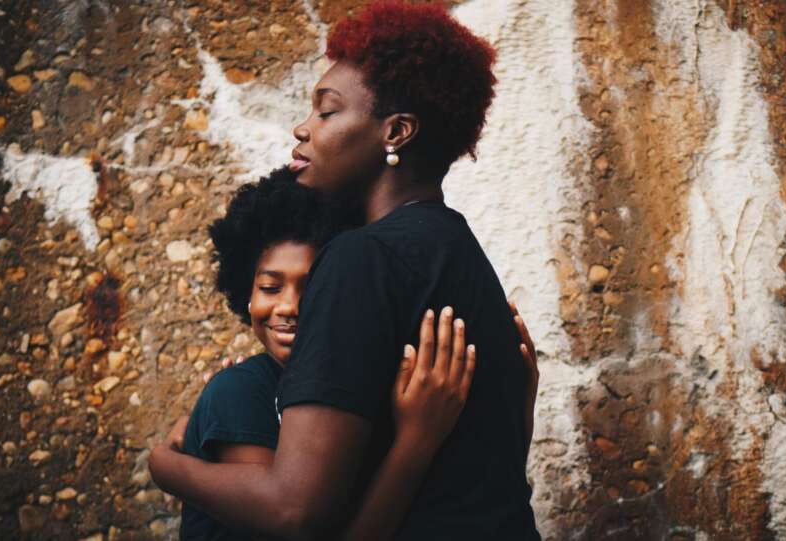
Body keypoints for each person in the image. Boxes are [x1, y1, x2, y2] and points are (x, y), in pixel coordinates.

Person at [149, 2, 541, 539]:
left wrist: (167, 467)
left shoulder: (362, 258)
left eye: (327, 112)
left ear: (396, 132)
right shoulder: (459, 250)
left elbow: (295, 510)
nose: (303, 128)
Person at [179, 168, 491, 540]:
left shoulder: (346, 391)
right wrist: (415, 442)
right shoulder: (241, 393)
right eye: (270, 287)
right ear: (246, 293)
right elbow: (293, 521)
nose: (289, 306)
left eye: (314, 287)